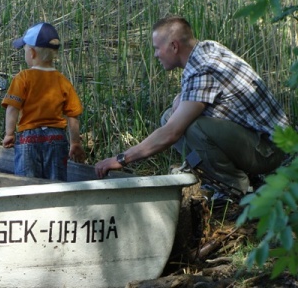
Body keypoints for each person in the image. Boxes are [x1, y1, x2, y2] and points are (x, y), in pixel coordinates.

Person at [95, 15, 289, 199]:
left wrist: (121, 159)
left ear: (173, 46)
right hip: (259, 143)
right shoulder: (206, 49)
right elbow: (179, 107)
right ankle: (245, 180)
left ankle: (236, 189)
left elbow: (171, 133)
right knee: (169, 116)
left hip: (270, 151)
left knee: (189, 127)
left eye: (156, 48)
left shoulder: (202, 68)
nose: (155, 55)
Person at [2, 22, 86, 181]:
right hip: (56, 138)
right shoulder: (63, 81)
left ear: (32, 53)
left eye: (25, 50)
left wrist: (9, 133)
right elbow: (73, 116)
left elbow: (12, 108)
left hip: (28, 138)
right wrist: (75, 142)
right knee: (56, 183)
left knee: (26, 184)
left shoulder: (23, 78)